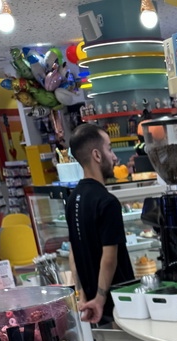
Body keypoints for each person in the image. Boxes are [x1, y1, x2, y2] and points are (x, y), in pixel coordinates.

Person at [66, 123, 134, 324]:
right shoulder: (107, 202)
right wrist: (101, 298)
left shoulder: (72, 199)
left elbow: (73, 252)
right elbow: (109, 257)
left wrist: (83, 295)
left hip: (91, 306)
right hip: (118, 305)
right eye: (110, 148)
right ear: (97, 155)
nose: (114, 157)